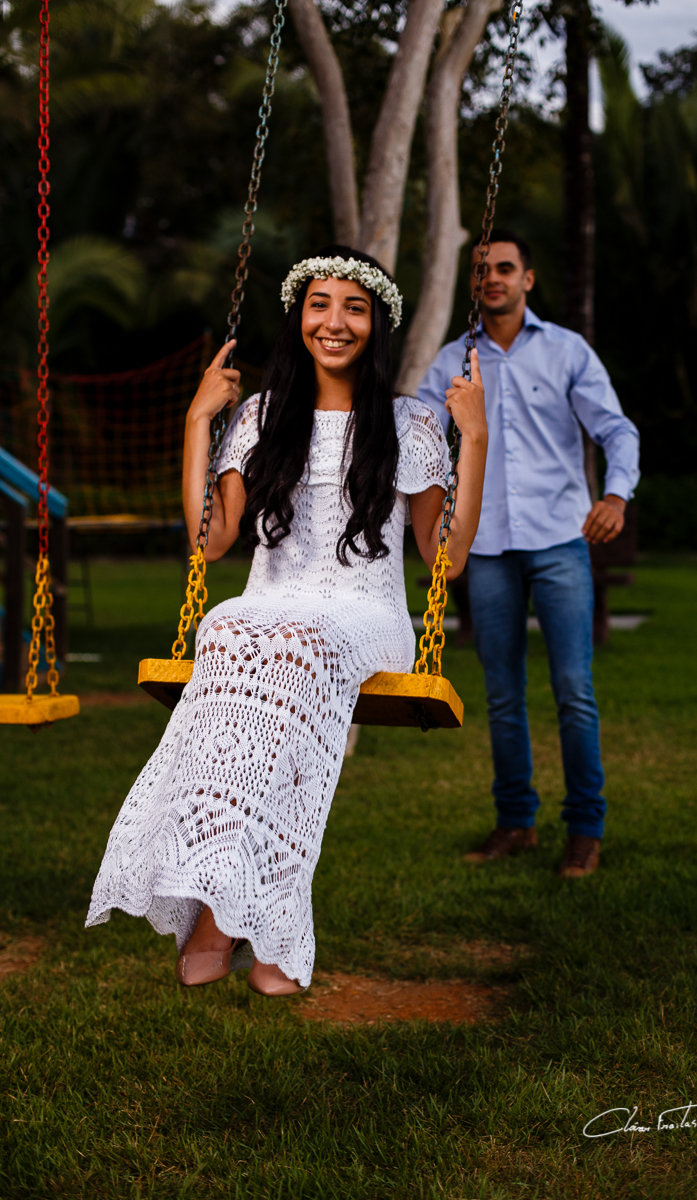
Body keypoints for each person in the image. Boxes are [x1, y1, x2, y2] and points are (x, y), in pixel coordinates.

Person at [86, 247, 488, 993]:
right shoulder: (262, 417)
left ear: (377, 325)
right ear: (299, 317)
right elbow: (210, 540)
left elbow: (446, 563)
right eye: (320, 305)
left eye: (354, 308)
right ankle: (243, 909)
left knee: (297, 645)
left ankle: (229, 920)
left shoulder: (411, 423)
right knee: (229, 629)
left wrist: (478, 440)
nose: (335, 322)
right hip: (269, 608)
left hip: (363, 616)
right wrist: (197, 423)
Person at [418, 230, 639, 878]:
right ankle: (516, 823)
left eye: (506, 268)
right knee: (501, 693)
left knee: (574, 688)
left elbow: (616, 430)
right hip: (483, 547)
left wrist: (617, 497)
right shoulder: (452, 362)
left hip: (561, 540)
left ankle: (585, 830)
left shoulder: (567, 351)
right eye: (482, 270)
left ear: (528, 279)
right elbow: (420, 441)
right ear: (473, 282)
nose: (494, 279)